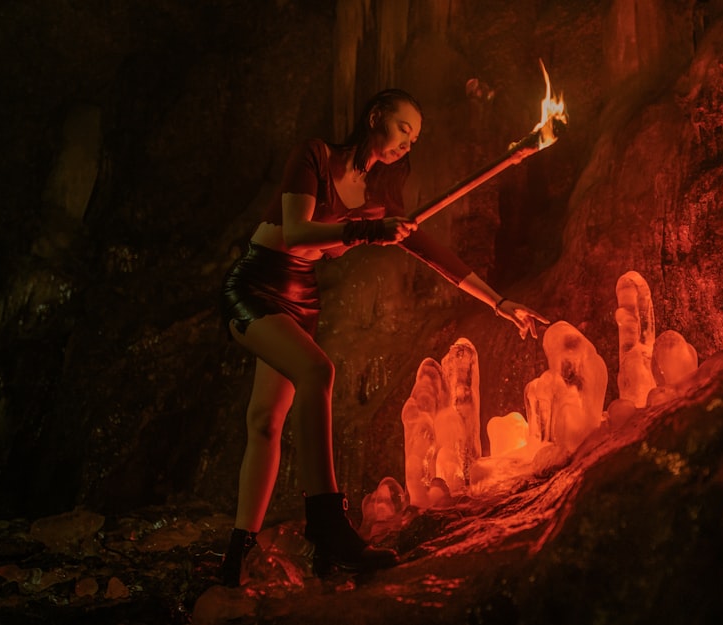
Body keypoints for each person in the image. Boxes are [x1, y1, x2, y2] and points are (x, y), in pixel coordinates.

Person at [218, 88, 549, 586]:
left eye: (415, 138)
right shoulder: (315, 156)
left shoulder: (379, 201)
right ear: (375, 117)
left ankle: (234, 559)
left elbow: (435, 253)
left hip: (302, 298)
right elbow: (296, 230)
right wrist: (366, 233)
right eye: (403, 128)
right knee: (317, 371)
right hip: (258, 284)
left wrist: (498, 302)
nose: (407, 143)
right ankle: (327, 524)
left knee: (265, 421)